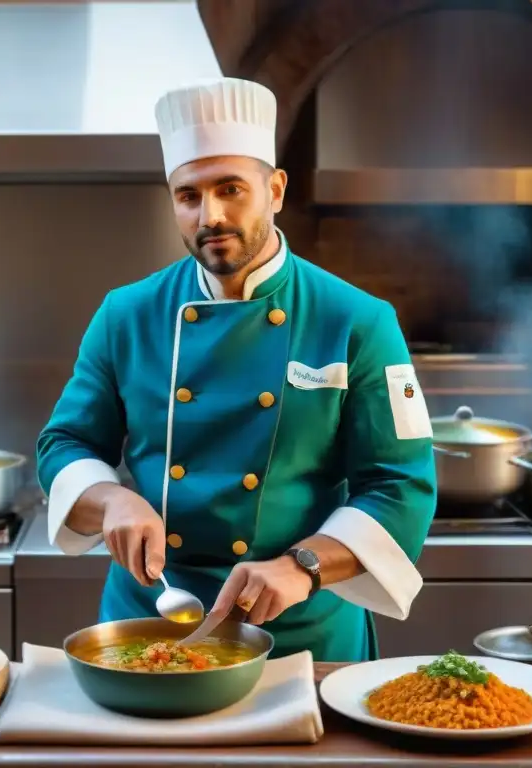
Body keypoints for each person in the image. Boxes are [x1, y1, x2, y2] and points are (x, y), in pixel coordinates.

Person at [36, 77, 437, 661]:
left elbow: (401, 483)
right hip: (149, 622)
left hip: (299, 635)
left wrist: (304, 565)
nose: (211, 215)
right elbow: (64, 441)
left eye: (231, 189)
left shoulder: (357, 320)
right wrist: (111, 498)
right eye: (189, 195)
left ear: (274, 190)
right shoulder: (127, 313)